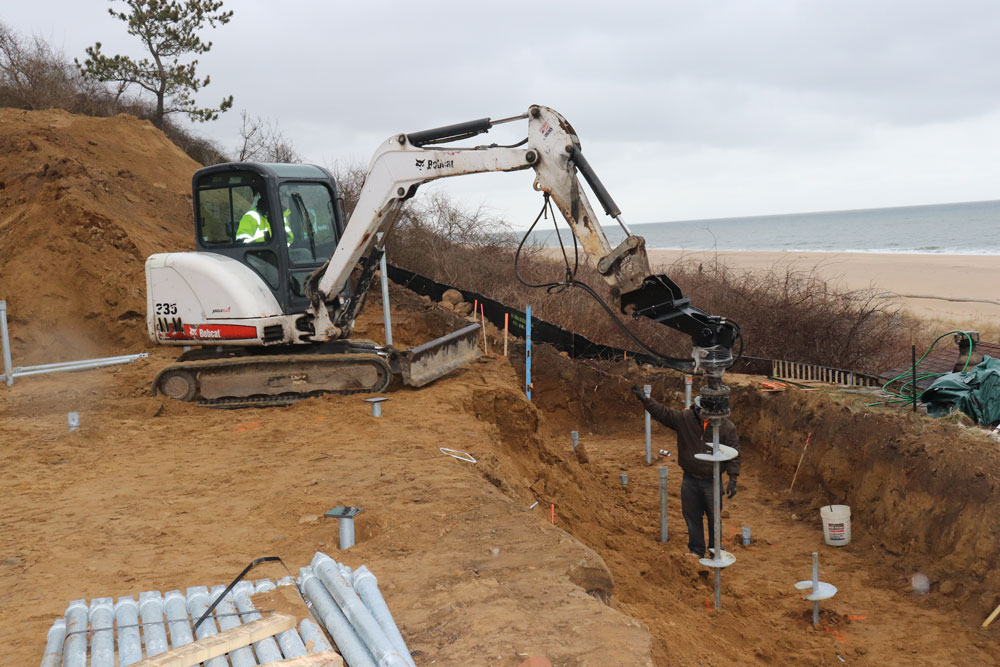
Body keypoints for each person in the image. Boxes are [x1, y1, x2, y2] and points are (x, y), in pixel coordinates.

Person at [631, 385, 741, 558]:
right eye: (704, 413)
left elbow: (734, 453)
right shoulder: (685, 418)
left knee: (714, 518)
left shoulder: (727, 427)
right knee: (692, 516)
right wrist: (645, 399)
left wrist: (733, 478)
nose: (707, 416)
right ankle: (696, 550)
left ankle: (716, 551)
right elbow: (663, 413)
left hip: (712, 480)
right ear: (699, 408)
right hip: (690, 479)